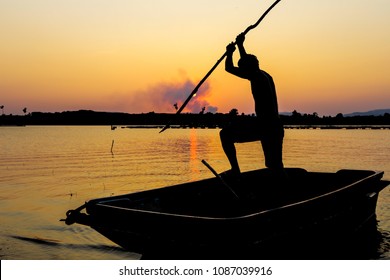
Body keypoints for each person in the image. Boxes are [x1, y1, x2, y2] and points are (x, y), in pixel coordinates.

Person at [220, 32, 285, 180]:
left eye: (243, 70)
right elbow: (246, 62)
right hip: (272, 126)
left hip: (267, 126)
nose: (242, 73)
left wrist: (229, 53)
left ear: (248, 70)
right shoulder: (263, 74)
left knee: (225, 134)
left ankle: (235, 170)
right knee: (274, 165)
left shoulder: (256, 77)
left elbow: (229, 68)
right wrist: (241, 45)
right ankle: (282, 186)